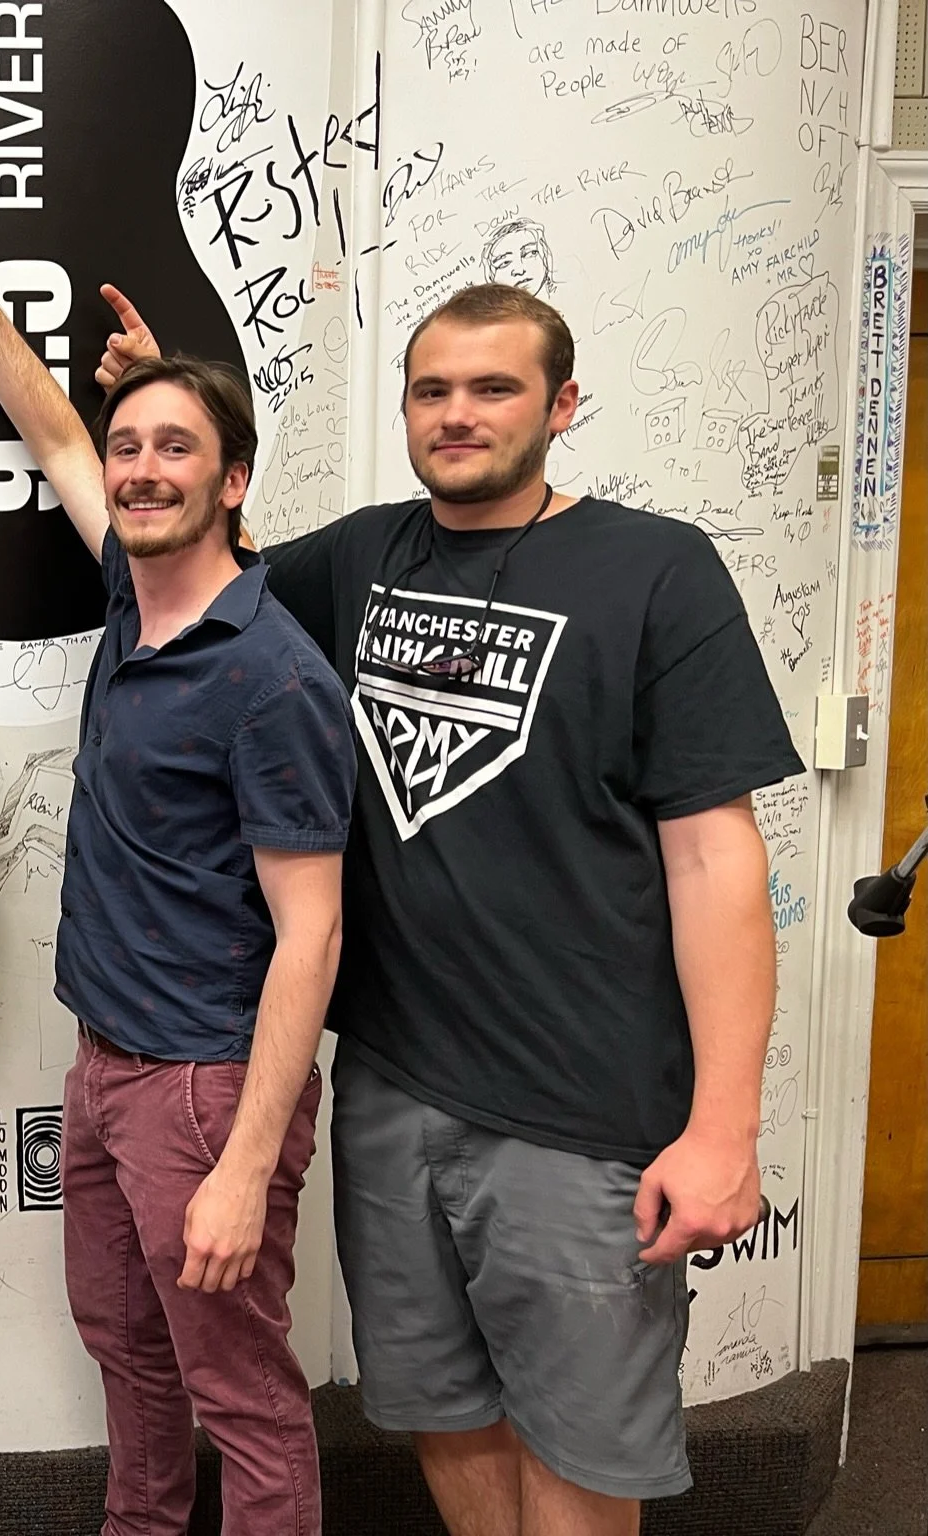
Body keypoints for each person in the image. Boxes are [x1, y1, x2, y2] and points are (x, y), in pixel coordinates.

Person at [91, 277, 801, 1533]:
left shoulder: (656, 569)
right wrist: (168, 409)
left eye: (494, 388)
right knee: (443, 1413)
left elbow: (715, 861)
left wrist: (724, 1128)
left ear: (562, 405)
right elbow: (192, 552)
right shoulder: (363, 558)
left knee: (581, 1446)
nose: (457, 413)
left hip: (580, 1108)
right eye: (432, 390)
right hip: (394, 1085)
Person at [0, 156, 355, 1534]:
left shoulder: (269, 675)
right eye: (132, 446)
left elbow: (313, 934)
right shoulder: (133, 592)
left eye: (177, 450)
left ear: (234, 483)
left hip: (205, 1089)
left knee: (243, 1398)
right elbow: (53, 432)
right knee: (129, 1355)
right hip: (106, 1067)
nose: (141, 470)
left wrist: (243, 1163)